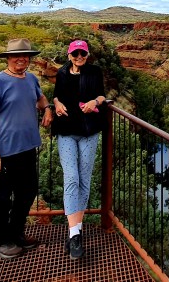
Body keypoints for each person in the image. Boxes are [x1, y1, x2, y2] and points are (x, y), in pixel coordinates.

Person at [0, 38, 53, 259]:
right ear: (8, 58)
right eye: (16, 55)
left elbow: (40, 98)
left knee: (26, 193)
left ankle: (16, 234)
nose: (21, 59)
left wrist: (47, 109)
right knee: (1, 198)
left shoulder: (31, 79)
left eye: (25, 55)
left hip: (27, 148)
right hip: (3, 152)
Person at [51, 39, 106, 260]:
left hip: (89, 131)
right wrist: (56, 103)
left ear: (87, 54)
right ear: (69, 55)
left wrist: (95, 102)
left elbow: (102, 95)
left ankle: (75, 232)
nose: (79, 57)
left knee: (84, 179)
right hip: (66, 130)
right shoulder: (62, 73)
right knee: (72, 177)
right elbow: (56, 95)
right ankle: (75, 234)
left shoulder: (95, 72)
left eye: (83, 53)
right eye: (75, 54)